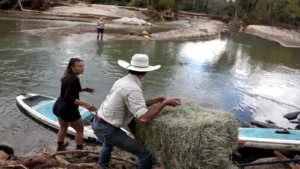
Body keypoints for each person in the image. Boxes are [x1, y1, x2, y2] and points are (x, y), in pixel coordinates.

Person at [92, 54, 181, 169]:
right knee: (144, 154)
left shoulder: (122, 81)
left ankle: (102, 165)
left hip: (98, 121)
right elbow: (144, 118)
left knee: (108, 143)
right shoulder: (133, 88)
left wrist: (155, 100)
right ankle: (103, 165)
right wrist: (164, 104)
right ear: (145, 72)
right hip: (107, 129)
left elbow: (134, 104)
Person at [53, 58, 97, 151]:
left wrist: (84, 89)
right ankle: (79, 151)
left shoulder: (67, 76)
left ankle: (60, 147)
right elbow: (68, 97)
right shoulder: (74, 79)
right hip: (68, 109)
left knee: (63, 127)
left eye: (83, 66)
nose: (82, 68)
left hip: (58, 106)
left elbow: (68, 91)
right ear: (72, 67)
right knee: (80, 130)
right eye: (79, 66)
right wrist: (86, 104)